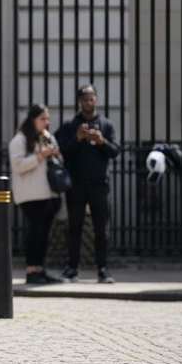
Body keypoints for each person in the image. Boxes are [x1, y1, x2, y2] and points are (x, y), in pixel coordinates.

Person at [55, 84, 120, 284]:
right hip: (76, 184)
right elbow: (61, 151)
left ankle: (103, 269)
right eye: (84, 99)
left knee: (101, 229)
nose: (88, 103)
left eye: (91, 99)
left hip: (99, 184)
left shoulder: (106, 125)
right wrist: (77, 138)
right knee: (75, 227)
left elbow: (115, 151)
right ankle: (72, 268)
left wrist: (101, 142)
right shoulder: (70, 125)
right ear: (79, 101)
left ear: (96, 100)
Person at [9, 104, 64, 285]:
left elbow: (59, 159)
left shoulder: (47, 137)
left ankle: (39, 268)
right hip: (30, 195)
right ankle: (31, 269)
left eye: (47, 119)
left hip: (48, 193)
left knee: (43, 234)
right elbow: (18, 165)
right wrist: (40, 156)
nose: (46, 123)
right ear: (33, 119)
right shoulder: (20, 140)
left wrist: (54, 153)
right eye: (43, 119)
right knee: (35, 232)